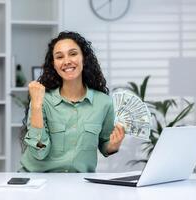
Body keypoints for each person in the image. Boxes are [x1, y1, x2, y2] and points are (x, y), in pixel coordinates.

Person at [20, 31, 125, 172]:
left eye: (73, 54)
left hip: (79, 183)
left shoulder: (104, 103)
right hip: (38, 180)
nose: (67, 61)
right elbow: (39, 152)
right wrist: (37, 106)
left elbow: (105, 143)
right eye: (59, 56)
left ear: (84, 58)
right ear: (54, 64)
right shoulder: (41, 99)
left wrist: (113, 146)